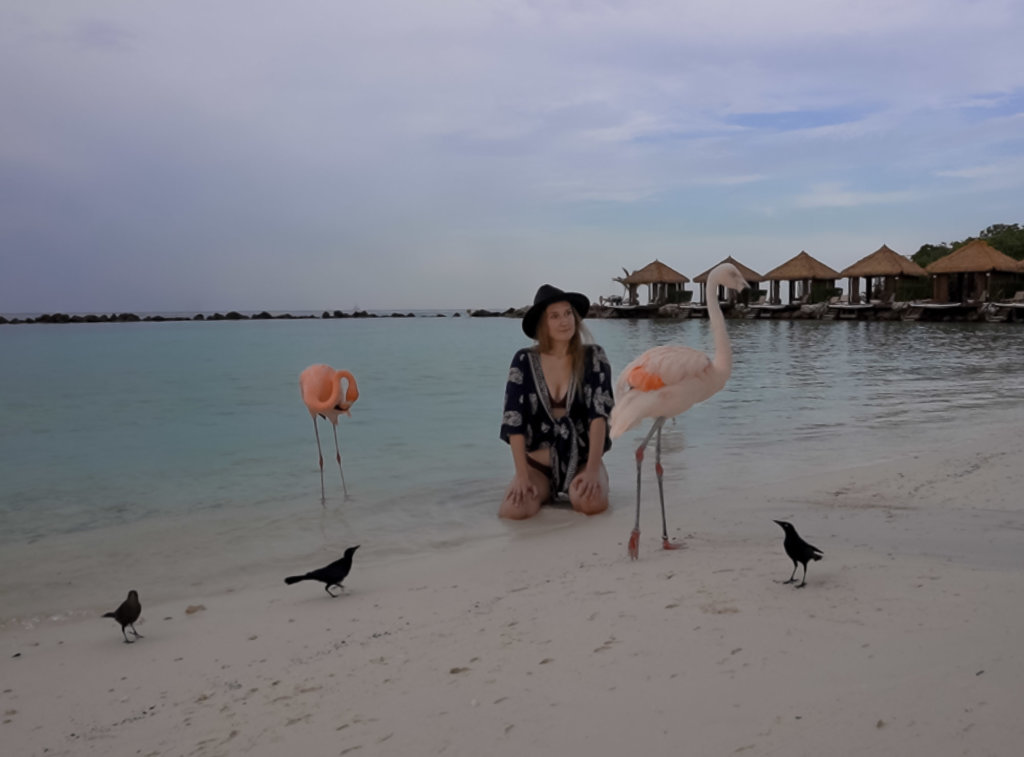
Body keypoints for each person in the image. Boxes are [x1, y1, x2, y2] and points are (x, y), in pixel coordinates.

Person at [499, 284, 615, 519]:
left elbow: (598, 416)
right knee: (513, 511)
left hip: (583, 461)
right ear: (543, 323)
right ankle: (544, 493)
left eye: (568, 313)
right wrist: (521, 475)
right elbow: (514, 421)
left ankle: (594, 479)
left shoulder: (594, 357)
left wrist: (592, 470)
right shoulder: (524, 360)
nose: (564, 321)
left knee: (589, 504)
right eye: (555, 316)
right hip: (537, 467)